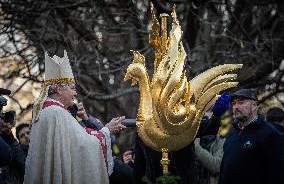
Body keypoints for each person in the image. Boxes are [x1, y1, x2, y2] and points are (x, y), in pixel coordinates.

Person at [24, 51, 125, 184]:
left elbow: (75, 142)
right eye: (72, 88)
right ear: (60, 89)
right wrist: (107, 130)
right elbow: (83, 146)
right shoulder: (56, 113)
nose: (75, 93)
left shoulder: (48, 111)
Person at [134, 92, 231, 184]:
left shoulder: (186, 125)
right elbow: (139, 168)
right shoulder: (143, 132)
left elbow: (210, 128)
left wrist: (216, 116)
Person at [219, 89, 284, 184]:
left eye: (241, 102)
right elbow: (224, 168)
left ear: (254, 106)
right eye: (234, 103)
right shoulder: (232, 133)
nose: (236, 107)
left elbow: (277, 174)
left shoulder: (269, 133)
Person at [194, 113, 225, 184]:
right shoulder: (193, 141)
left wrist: (196, 147)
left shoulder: (222, 142)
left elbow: (216, 166)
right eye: (204, 120)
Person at [0, 117, 26, 184]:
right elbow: (22, 165)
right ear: (19, 141)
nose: (26, 136)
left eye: (28, 132)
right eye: (22, 136)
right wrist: (8, 135)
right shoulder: (18, 152)